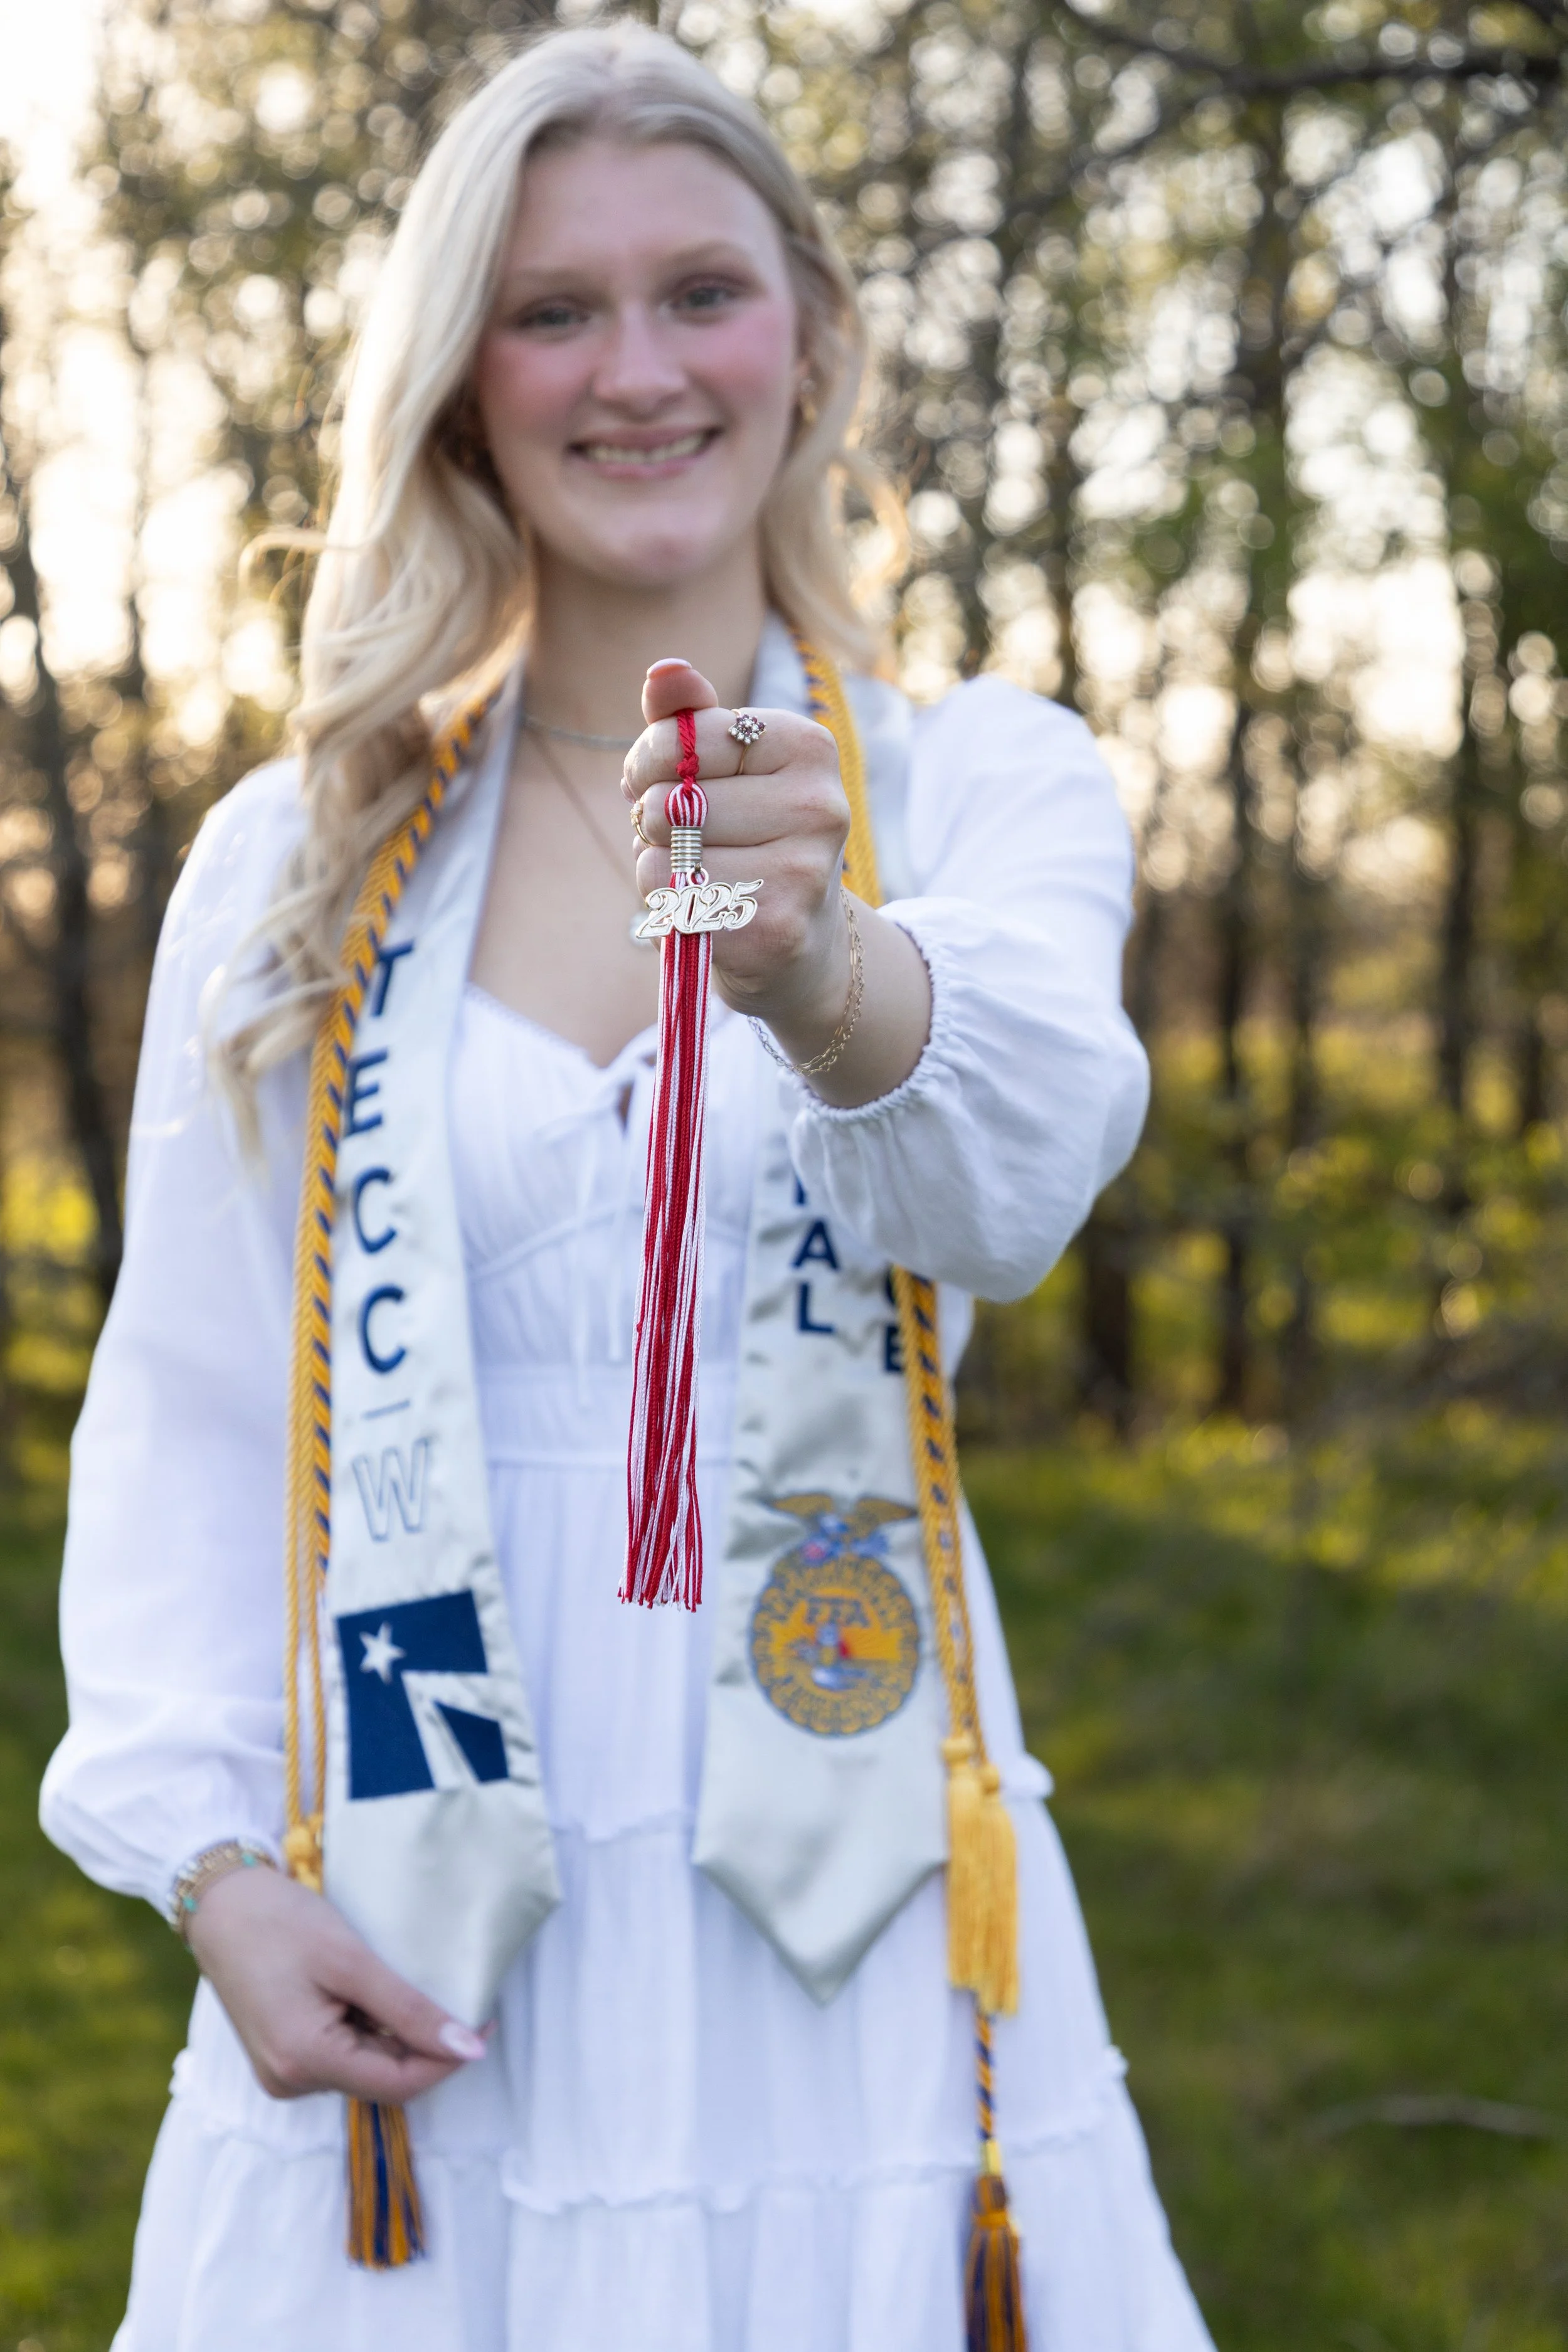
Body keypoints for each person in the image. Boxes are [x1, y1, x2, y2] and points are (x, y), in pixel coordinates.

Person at [41, 23, 1214, 2351]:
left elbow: (1010, 1174)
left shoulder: (977, 783)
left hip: (848, 1857)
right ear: (462, 377)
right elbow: (192, 1407)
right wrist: (205, 1869)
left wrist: (823, 967)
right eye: (554, 309)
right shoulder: (306, 861)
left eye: (700, 291)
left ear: (811, 332)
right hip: (417, 1873)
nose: (638, 370)